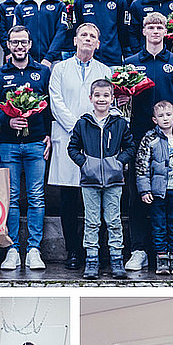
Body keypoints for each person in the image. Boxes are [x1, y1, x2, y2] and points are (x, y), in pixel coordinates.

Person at [123, 12, 173, 272]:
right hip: (140, 136)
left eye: (159, 26)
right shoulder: (130, 63)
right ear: (143, 30)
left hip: (171, 138)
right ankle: (139, 249)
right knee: (138, 193)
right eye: (150, 26)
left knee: (171, 195)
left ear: (165, 31)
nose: (154, 30)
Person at [0, 25, 52, 271]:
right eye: (14, 42)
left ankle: (34, 249)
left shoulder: (42, 72)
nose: (19, 46)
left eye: (23, 42)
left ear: (30, 44)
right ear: (8, 45)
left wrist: (48, 135)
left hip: (36, 142)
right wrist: (8, 119)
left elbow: (49, 107)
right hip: (8, 143)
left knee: (36, 197)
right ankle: (12, 248)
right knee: (11, 198)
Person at [48, 22, 111, 269]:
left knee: (95, 198)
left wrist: (91, 131)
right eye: (83, 34)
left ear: (98, 43)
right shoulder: (60, 69)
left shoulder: (105, 70)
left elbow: (108, 103)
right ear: (74, 40)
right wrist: (79, 128)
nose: (87, 39)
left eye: (92, 36)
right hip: (68, 138)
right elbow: (56, 101)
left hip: (97, 143)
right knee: (69, 200)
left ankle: (93, 250)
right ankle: (73, 250)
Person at [67, 78, 135, 280]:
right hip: (90, 181)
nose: (101, 99)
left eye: (106, 95)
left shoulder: (119, 123)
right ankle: (91, 260)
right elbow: (72, 147)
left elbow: (130, 147)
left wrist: (118, 161)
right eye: (97, 95)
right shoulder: (83, 122)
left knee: (113, 221)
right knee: (92, 221)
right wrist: (85, 162)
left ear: (112, 98)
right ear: (90, 98)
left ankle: (116, 259)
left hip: (114, 180)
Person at [136, 100, 173, 276]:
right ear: (155, 119)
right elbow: (141, 166)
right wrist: (145, 190)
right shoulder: (150, 139)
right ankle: (161, 256)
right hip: (157, 191)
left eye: (168, 115)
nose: (165, 118)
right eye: (161, 116)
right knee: (159, 224)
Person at [49, 0, 129, 67]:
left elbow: (123, 31)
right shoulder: (80, 1)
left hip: (112, 60)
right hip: (87, 59)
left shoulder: (119, 0)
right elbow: (77, 29)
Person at [14, 0, 63, 64]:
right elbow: (17, 35)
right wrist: (30, 59)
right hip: (28, 61)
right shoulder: (21, 8)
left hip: (53, 60)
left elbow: (61, 33)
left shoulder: (58, 6)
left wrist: (49, 58)